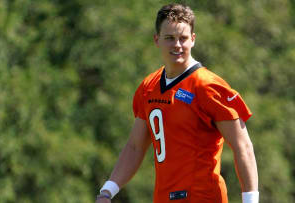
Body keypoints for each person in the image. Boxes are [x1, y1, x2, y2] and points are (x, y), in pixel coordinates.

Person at [96, 3, 259, 203]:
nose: (177, 45)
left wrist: (251, 200)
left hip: (202, 197)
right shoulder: (149, 86)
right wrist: (108, 191)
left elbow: (242, 146)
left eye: (183, 38)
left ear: (193, 39)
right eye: (169, 38)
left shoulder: (208, 86)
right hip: (163, 197)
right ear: (157, 40)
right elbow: (135, 147)